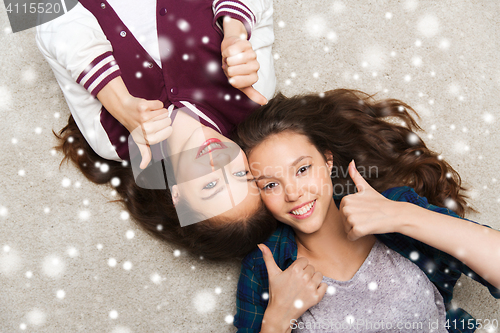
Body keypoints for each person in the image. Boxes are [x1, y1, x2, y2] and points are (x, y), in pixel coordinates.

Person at [232, 89, 500, 332]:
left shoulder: (394, 209)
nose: (293, 193)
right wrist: (278, 319)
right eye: (270, 184)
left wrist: (403, 216)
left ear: (327, 161)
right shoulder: (266, 266)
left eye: (302, 169)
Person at [35, 0, 277, 259]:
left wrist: (118, 100)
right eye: (242, 173)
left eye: (210, 185)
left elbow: (42, 13)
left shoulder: (112, 142)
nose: (220, 161)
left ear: (177, 195)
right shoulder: (255, 94)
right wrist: (235, 30)